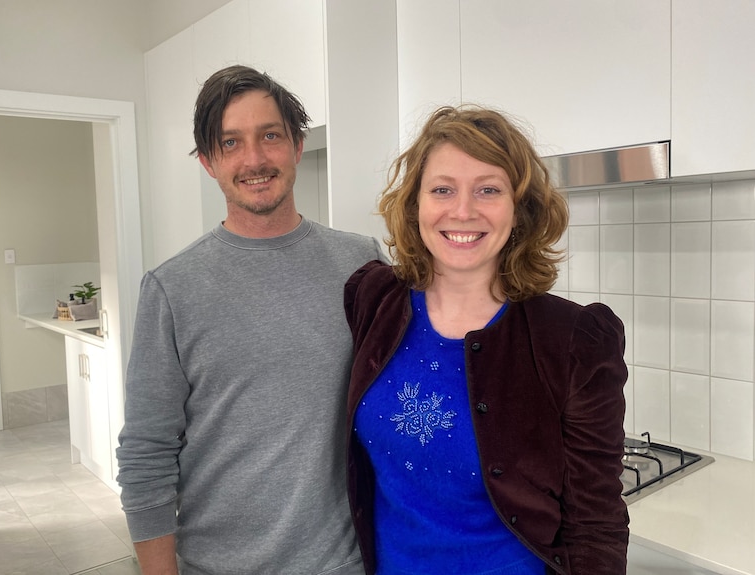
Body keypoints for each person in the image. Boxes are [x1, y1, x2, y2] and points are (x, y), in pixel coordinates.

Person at [116, 65, 381, 575]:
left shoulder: (363, 264)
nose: (254, 159)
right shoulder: (172, 288)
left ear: (298, 146)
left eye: (270, 136)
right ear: (208, 162)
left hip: (344, 563)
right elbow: (147, 451)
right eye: (230, 143)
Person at [343, 106, 629, 574]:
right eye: (442, 189)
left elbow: (597, 522)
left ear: (519, 209)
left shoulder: (573, 341)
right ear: (415, 204)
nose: (463, 211)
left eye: (488, 190)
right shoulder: (374, 300)